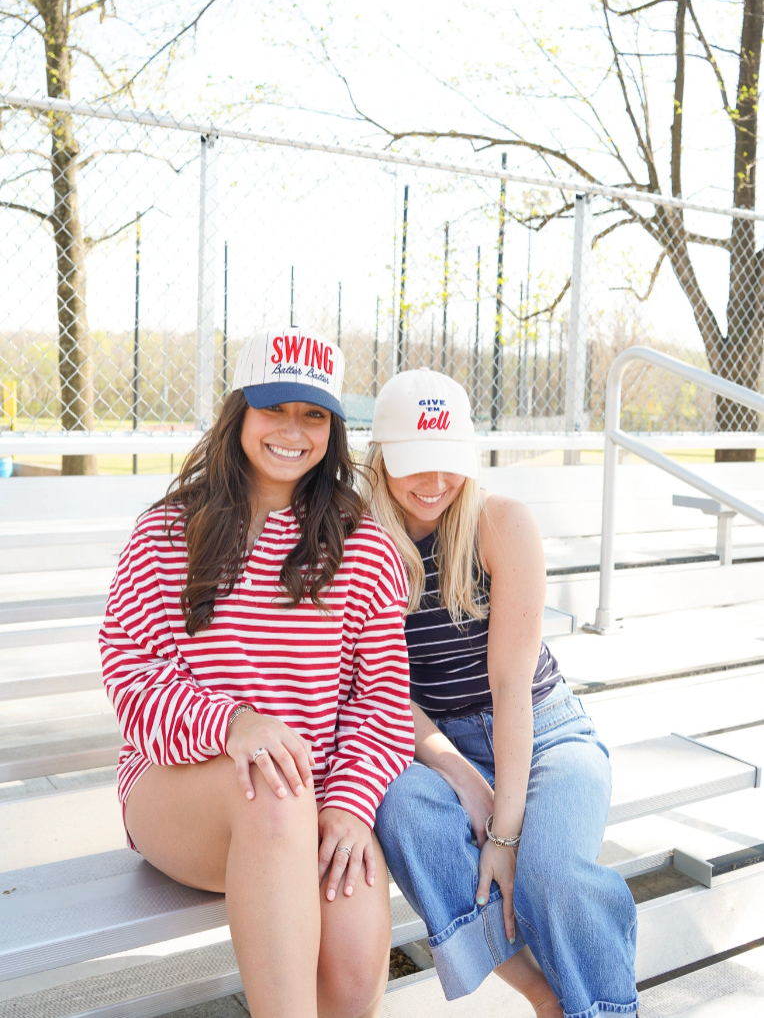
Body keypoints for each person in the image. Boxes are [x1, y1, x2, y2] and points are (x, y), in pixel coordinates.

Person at [99, 328, 415, 1018]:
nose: (292, 431)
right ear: (239, 410)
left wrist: (349, 806)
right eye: (274, 408)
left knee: (355, 973)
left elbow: (382, 710)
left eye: (313, 416)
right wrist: (233, 723)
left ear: (332, 430)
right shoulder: (166, 534)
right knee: (271, 792)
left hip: (319, 797)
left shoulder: (364, 547)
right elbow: (131, 677)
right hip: (186, 792)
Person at [366, 368, 638, 1018]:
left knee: (549, 875)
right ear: (379, 459)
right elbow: (377, 688)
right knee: (402, 810)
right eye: (414, 466)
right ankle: (544, 998)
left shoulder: (501, 524)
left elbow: (512, 686)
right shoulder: (361, 543)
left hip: (545, 731)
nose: (434, 485)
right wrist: (458, 773)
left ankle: (602, 1010)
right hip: (435, 742)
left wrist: (505, 833)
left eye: (449, 465)